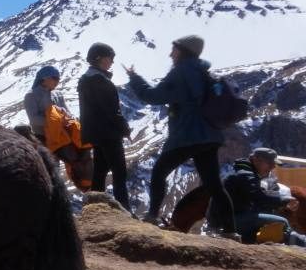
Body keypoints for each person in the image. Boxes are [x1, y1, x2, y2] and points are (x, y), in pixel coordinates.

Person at [126, 35, 237, 237]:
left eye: (174, 50)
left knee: (159, 172)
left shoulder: (181, 72)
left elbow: (153, 96)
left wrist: (134, 78)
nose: (171, 54)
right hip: (210, 136)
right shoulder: (204, 72)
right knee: (214, 185)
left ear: (183, 51)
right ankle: (231, 231)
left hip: (187, 134)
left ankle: (152, 217)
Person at [78, 43, 132, 213]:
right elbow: (112, 111)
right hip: (109, 133)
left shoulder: (85, 79)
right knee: (119, 171)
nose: (112, 62)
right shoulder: (101, 81)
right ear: (99, 58)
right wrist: (125, 129)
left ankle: (94, 208)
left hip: (95, 134)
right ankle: (125, 210)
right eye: (110, 58)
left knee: (100, 170)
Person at [224, 148, 305, 246]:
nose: (273, 167)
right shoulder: (246, 175)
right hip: (232, 221)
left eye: (274, 164)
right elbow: (259, 198)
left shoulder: (245, 172)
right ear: (256, 159)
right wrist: (284, 201)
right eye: (270, 163)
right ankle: (300, 244)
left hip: (232, 217)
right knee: (282, 222)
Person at [23, 65, 67, 142]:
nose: (57, 81)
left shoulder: (58, 94)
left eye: (58, 79)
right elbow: (33, 119)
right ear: (44, 78)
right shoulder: (31, 95)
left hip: (64, 133)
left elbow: (67, 112)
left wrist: (68, 118)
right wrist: (55, 122)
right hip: (43, 137)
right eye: (55, 78)